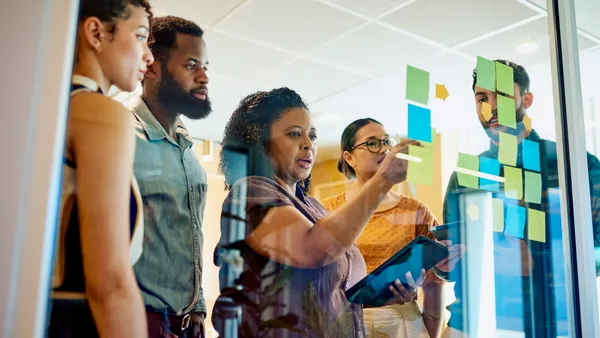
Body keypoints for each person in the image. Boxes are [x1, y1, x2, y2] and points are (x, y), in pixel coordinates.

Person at [212, 87, 432, 338]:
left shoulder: (314, 207)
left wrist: (382, 294)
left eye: (312, 136)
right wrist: (383, 180)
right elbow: (314, 249)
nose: (308, 145)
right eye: (295, 134)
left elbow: (333, 292)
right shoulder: (251, 193)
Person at [440, 60, 600, 337]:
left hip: (552, 322)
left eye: (500, 94)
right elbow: (456, 260)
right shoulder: (465, 176)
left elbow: (596, 251)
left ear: (526, 99)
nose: (489, 107)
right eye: (482, 98)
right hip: (475, 322)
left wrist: (538, 262)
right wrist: (445, 265)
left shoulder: (573, 164)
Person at [48, 1, 154, 337]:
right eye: (140, 36)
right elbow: (109, 284)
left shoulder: (52, 108)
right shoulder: (100, 113)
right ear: (96, 33)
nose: (148, 57)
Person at [321, 118, 445, 338]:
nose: (384, 149)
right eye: (372, 143)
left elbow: (435, 283)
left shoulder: (415, 210)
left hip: (403, 322)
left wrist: (431, 332)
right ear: (349, 158)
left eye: (387, 141)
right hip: (345, 323)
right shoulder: (328, 210)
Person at [132, 16, 211, 338]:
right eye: (191, 65)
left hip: (187, 323)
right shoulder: (121, 138)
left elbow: (189, 235)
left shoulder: (188, 152)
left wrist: (198, 306)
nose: (204, 77)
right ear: (151, 67)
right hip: (139, 321)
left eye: (206, 65)